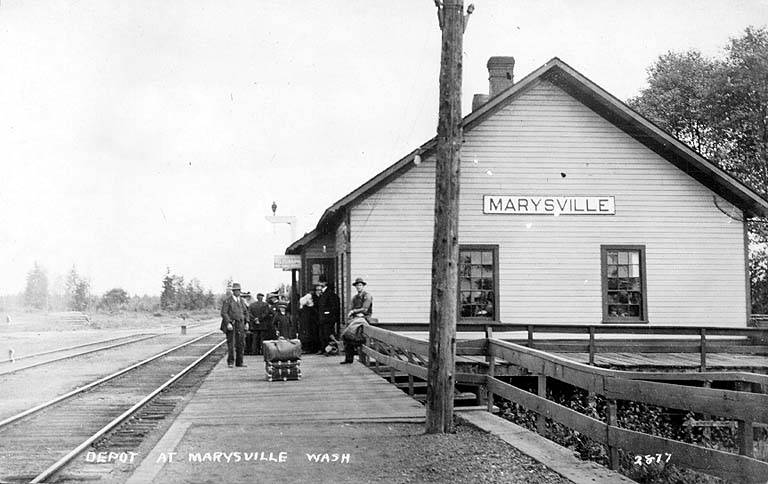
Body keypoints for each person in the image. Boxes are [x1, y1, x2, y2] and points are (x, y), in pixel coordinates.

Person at [341, 277, 374, 364]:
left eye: (360, 285)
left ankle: (360, 355)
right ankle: (348, 358)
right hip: (356, 317)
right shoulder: (355, 297)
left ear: (363, 286)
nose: (359, 287)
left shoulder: (367, 296)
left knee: (353, 333)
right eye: (357, 285)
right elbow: (351, 307)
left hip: (365, 318)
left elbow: (365, 309)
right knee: (347, 333)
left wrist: (354, 311)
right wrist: (353, 312)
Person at [220, 282, 248, 368]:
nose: (238, 292)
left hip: (241, 324)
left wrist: (247, 322)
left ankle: (240, 362)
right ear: (233, 291)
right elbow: (224, 313)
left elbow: (246, 312)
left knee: (241, 343)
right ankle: (230, 362)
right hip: (232, 324)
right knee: (231, 344)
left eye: (239, 290)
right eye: (236, 290)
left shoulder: (242, 301)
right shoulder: (228, 301)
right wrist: (228, 323)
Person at [315, 280, 340, 356]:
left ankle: (329, 350)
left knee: (327, 334)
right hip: (322, 318)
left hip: (328, 318)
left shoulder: (330, 294)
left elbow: (333, 307)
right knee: (322, 334)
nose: (319, 285)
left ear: (324, 284)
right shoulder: (321, 294)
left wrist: (328, 313)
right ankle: (323, 349)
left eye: (320, 283)